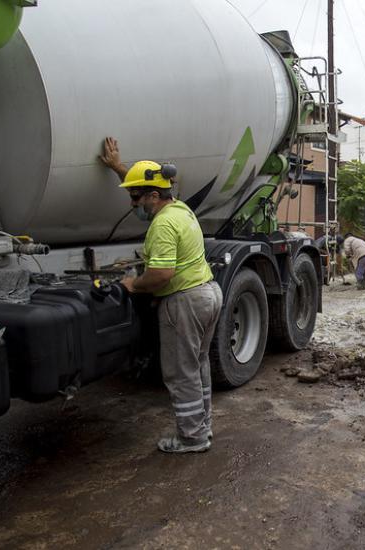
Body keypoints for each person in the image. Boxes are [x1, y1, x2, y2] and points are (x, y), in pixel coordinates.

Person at [100, 137, 223, 454]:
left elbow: (161, 275)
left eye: (136, 199)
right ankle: (202, 429)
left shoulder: (163, 225)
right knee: (197, 368)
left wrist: (133, 285)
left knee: (180, 374)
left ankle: (191, 439)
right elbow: (147, 185)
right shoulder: (180, 209)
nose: (133, 205)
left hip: (185, 301)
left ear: (154, 197)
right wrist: (119, 168)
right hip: (208, 292)